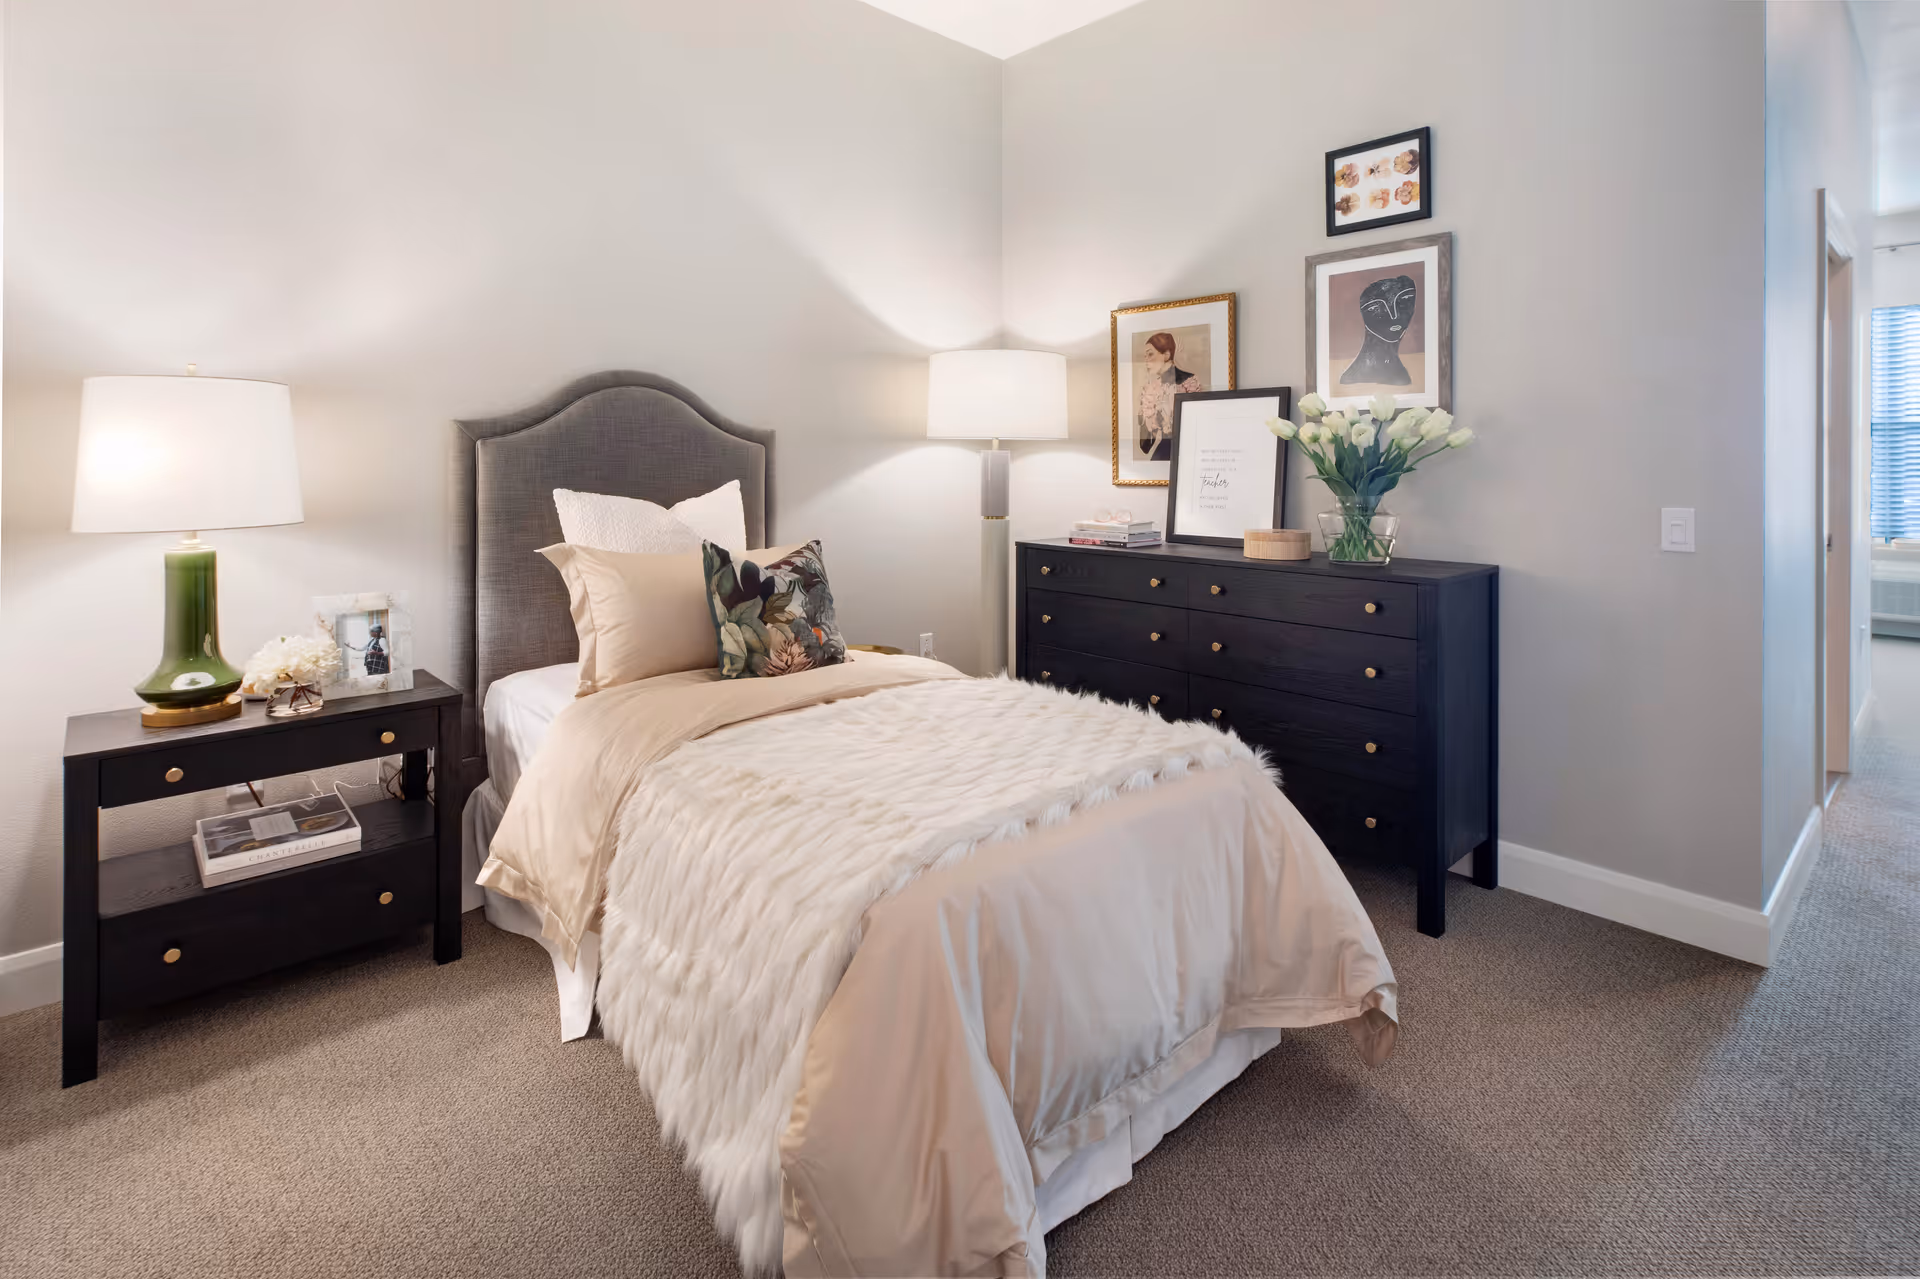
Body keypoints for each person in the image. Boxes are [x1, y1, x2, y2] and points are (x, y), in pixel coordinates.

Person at [1136, 332, 1204, 461]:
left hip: (1189, 452)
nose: (1146, 360)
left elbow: (1199, 426)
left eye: (1150, 354)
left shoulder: (1189, 382)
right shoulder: (1150, 389)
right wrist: (1145, 416)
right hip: (1164, 453)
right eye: (1145, 356)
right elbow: (1145, 446)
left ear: (1166, 355)